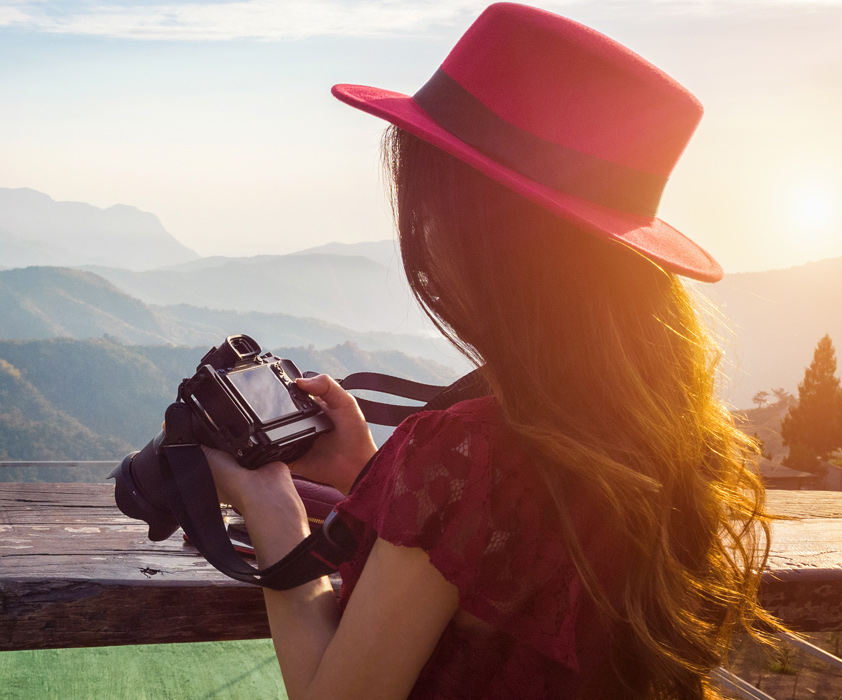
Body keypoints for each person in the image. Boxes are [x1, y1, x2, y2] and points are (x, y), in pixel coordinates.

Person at [204, 4, 780, 699]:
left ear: (475, 228)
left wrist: (266, 503)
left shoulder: (469, 452)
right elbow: (508, 583)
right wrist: (376, 479)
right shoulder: (660, 433)